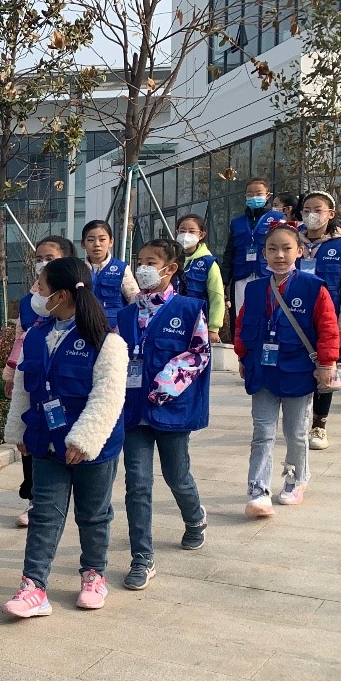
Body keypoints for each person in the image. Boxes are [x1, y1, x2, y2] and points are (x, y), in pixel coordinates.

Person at [2, 257, 128, 618]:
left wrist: (83, 440)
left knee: (93, 514)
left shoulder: (106, 341)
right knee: (44, 514)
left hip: (92, 447)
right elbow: (23, 388)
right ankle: (33, 587)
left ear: (61, 295)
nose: (35, 292)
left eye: (41, 286)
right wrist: (19, 430)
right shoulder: (35, 335)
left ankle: (93, 575)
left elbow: (108, 396)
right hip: (46, 441)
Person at [116, 239, 211, 590]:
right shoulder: (126, 315)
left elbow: (199, 353)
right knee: (137, 483)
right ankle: (142, 557)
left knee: (177, 475)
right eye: (139, 261)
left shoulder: (189, 309)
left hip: (170, 410)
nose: (143, 268)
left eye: (151, 262)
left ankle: (195, 518)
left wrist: (165, 385)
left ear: (170, 268)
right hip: (133, 412)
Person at [235, 225, 339, 516]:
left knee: (296, 432)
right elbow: (242, 324)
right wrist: (242, 355)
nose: (279, 255)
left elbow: (328, 327)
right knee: (262, 431)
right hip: (262, 371)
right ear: (264, 253)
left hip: (298, 371)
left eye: (286, 248)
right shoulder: (255, 288)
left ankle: (296, 478)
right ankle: (258, 490)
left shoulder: (313, 287)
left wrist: (327, 363)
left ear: (299, 251)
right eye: (272, 249)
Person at [5, 236, 77, 527]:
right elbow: (20, 340)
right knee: (31, 436)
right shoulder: (30, 301)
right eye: (38, 258)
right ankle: (36, 499)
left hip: (66, 384)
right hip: (34, 380)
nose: (42, 263)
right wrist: (11, 374)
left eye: (49, 258)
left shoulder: (80, 299)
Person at [297, 192, 341, 451]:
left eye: (318, 209)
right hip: (295, 319)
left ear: (331, 214)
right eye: (306, 209)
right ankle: (298, 420)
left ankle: (319, 425)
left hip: (329, 321)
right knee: (299, 370)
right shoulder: (291, 240)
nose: (311, 214)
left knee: (326, 369)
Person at [222, 177, 285, 317]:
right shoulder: (237, 222)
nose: (254, 197)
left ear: (267, 195)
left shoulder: (278, 218)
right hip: (241, 275)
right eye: (250, 194)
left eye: (258, 193)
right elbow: (229, 253)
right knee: (242, 316)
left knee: (268, 314)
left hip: (268, 274)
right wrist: (224, 280)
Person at [176, 214, 226, 342]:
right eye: (182, 231)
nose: (186, 235)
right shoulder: (171, 259)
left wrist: (214, 328)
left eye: (191, 231)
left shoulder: (208, 263)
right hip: (173, 320)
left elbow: (217, 297)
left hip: (198, 323)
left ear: (201, 235)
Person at [80, 220, 139, 325]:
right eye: (90, 240)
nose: (97, 244)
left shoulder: (121, 269)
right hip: (83, 326)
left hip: (114, 328)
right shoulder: (78, 269)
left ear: (111, 241)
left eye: (102, 239)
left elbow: (134, 301)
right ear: (83, 243)